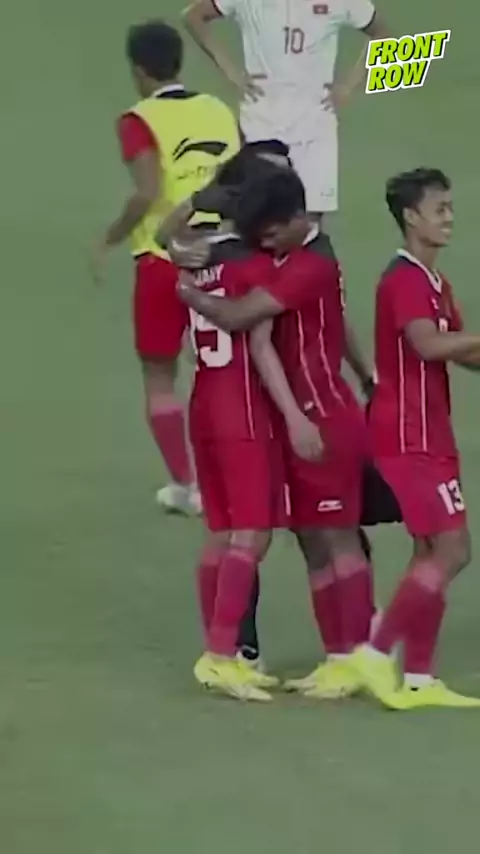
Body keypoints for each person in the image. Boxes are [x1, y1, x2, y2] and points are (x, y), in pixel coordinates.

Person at [177, 167, 379, 699]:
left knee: (334, 537)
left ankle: (357, 654)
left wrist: (190, 290)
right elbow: (264, 338)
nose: (264, 241)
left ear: (296, 218)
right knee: (306, 539)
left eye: (270, 232)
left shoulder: (307, 264)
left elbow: (243, 321)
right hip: (281, 416)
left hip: (317, 418)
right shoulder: (270, 260)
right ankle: (331, 656)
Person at [91, 20, 240, 514]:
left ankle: (187, 487)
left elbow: (147, 193)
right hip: (224, 253)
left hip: (163, 261)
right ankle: (239, 474)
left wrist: (109, 238)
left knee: (159, 375)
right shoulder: (217, 109)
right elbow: (241, 178)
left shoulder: (137, 120)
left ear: (138, 70)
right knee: (223, 371)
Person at [348, 168, 480, 709]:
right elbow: (428, 345)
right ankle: (376, 652)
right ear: (411, 217)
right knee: (453, 549)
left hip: (430, 432)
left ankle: (421, 678)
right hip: (407, 435)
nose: (449, 218)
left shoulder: (434, 282)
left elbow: (462, 350)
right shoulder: (403, 280)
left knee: (430, 549)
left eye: (450, 208)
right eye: (439, 209)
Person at [185, 225, 288, 701]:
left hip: (203, 399)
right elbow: (263, 342)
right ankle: (221, 655)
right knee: (252, 533)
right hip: (241, 406)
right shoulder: (256, 265)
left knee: (221, 531)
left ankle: (217, 651)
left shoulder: (199, 261)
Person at [182, 0, 387, 215]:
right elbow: (194, 16)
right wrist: (229, 69)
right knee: (255, 211)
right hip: (261, 117)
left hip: (315, 117)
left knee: (310, 215)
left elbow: (381, 32)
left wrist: (348, 86)